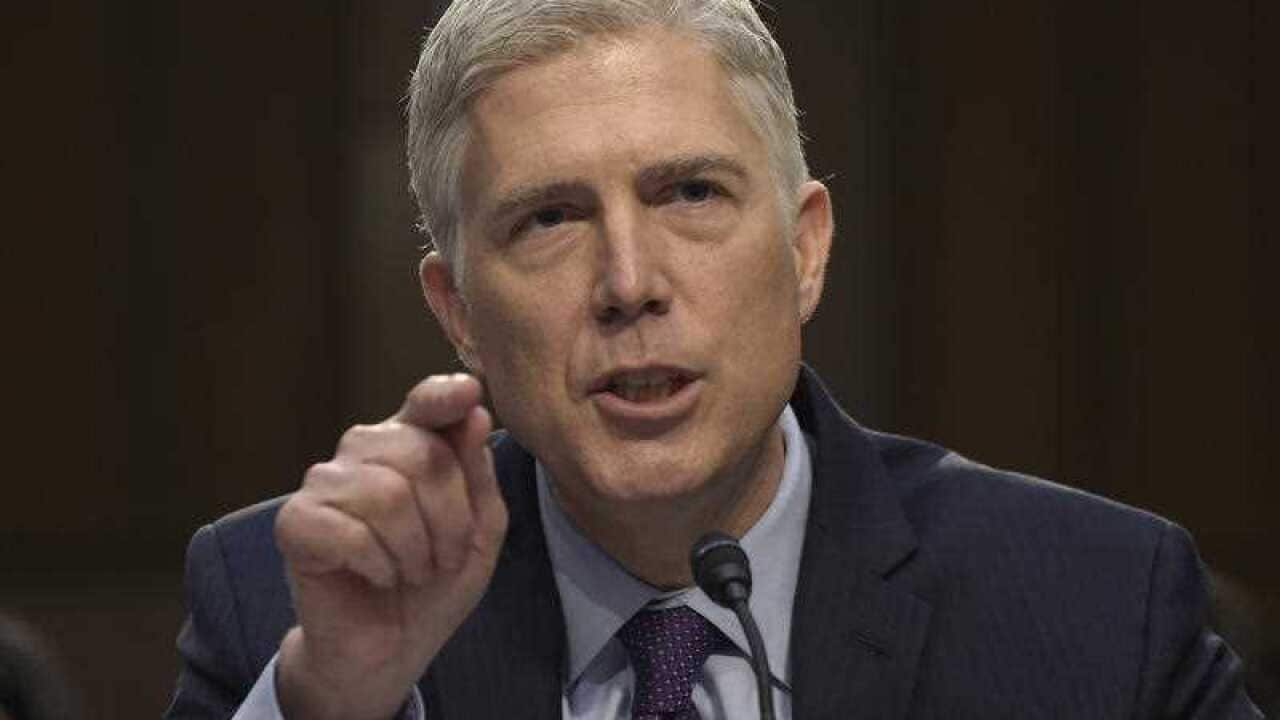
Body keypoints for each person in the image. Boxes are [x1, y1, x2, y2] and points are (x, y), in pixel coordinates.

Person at [166, 1, 1264, 718]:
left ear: (802, 249)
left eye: (688, 193)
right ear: (457, 310)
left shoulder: (1092, 607)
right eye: (548, 219)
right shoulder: (289, 613)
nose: (629, 282)